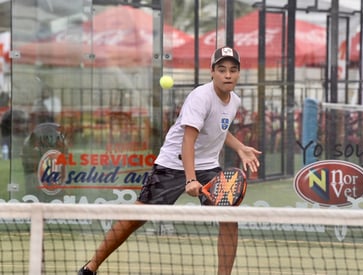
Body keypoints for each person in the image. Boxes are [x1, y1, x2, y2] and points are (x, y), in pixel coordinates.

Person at [78, 46, 261, 275]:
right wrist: (190, 179)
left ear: (239, 73)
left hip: (208, 166)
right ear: (212, 72)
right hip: (173, 164)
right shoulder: (200, 97)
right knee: (137, 217)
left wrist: (240, 147)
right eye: (222, 69)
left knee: (229, 216)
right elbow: (188, 141)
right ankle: (92, 265)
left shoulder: (234, 100)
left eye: (233, 70)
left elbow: (219, 129)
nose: (227, 74)